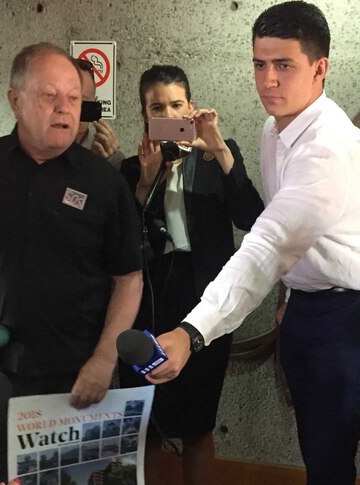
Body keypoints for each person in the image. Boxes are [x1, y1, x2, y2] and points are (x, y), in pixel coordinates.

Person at [147, 2, 360, 484]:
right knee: (315, 438)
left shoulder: (327, 148)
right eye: (259, 65)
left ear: (319, 68)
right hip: (309, 301)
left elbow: (267, 243)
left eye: (284, 65)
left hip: (355, 309)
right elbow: (280, 228)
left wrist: (192, 331)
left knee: (329, 450)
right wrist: (291, 295)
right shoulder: (273, 129)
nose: (267, 80)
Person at [0, 43, 143, 484]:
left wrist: (103, 361)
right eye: (50, 97)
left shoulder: (103, 181)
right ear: (15, 100)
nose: (65, 108)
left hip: (81, 375)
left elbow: (130, 278)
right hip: (1, 375)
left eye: (73, 98)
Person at [118, 65, 264, 485]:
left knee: (198, 423)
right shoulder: (133, 168)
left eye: (176, 104)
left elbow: (252, 217)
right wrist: (145, 183)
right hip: (147, 305)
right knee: (144, 421)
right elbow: (126, 243)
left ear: (191, 108)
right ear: (146, 116)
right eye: (157, 107)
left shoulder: (218, 155)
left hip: (206, 308)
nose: (168, 112)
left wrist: (219, 149)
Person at [74, 58, 125, 168]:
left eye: (82, 103)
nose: (71, 112)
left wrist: (105, 163)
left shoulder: (108, 155)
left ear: (94, 104)